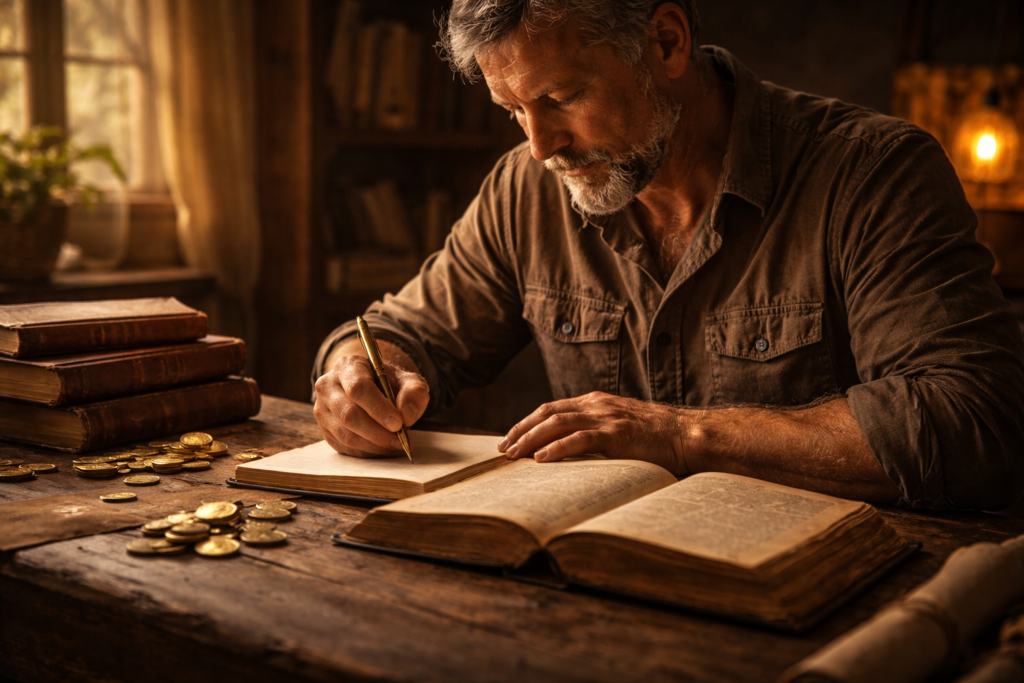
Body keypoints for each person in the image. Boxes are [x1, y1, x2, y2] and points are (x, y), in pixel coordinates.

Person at [311, 0, 1024, 510]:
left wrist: (682, 434)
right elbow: (400, 333)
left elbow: (974, 417)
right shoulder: (525, 190)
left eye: (560, 97)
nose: (540, 146)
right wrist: (359, 374)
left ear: (666, 41)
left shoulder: (873, 174)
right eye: (512, 111)